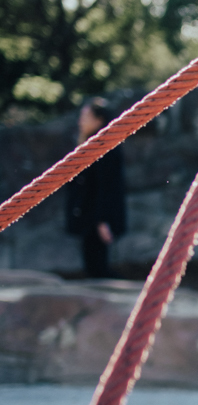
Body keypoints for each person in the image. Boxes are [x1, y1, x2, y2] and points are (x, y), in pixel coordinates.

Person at [65, 97, 126, 278]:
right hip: (88, 215)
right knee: (92, 265)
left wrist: (103, 221)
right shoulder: (88, 145)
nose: (80, 121)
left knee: (98, 268)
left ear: (98, 120)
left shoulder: (106, 148)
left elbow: (108, 187)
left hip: (97, 217)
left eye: (85, 116)